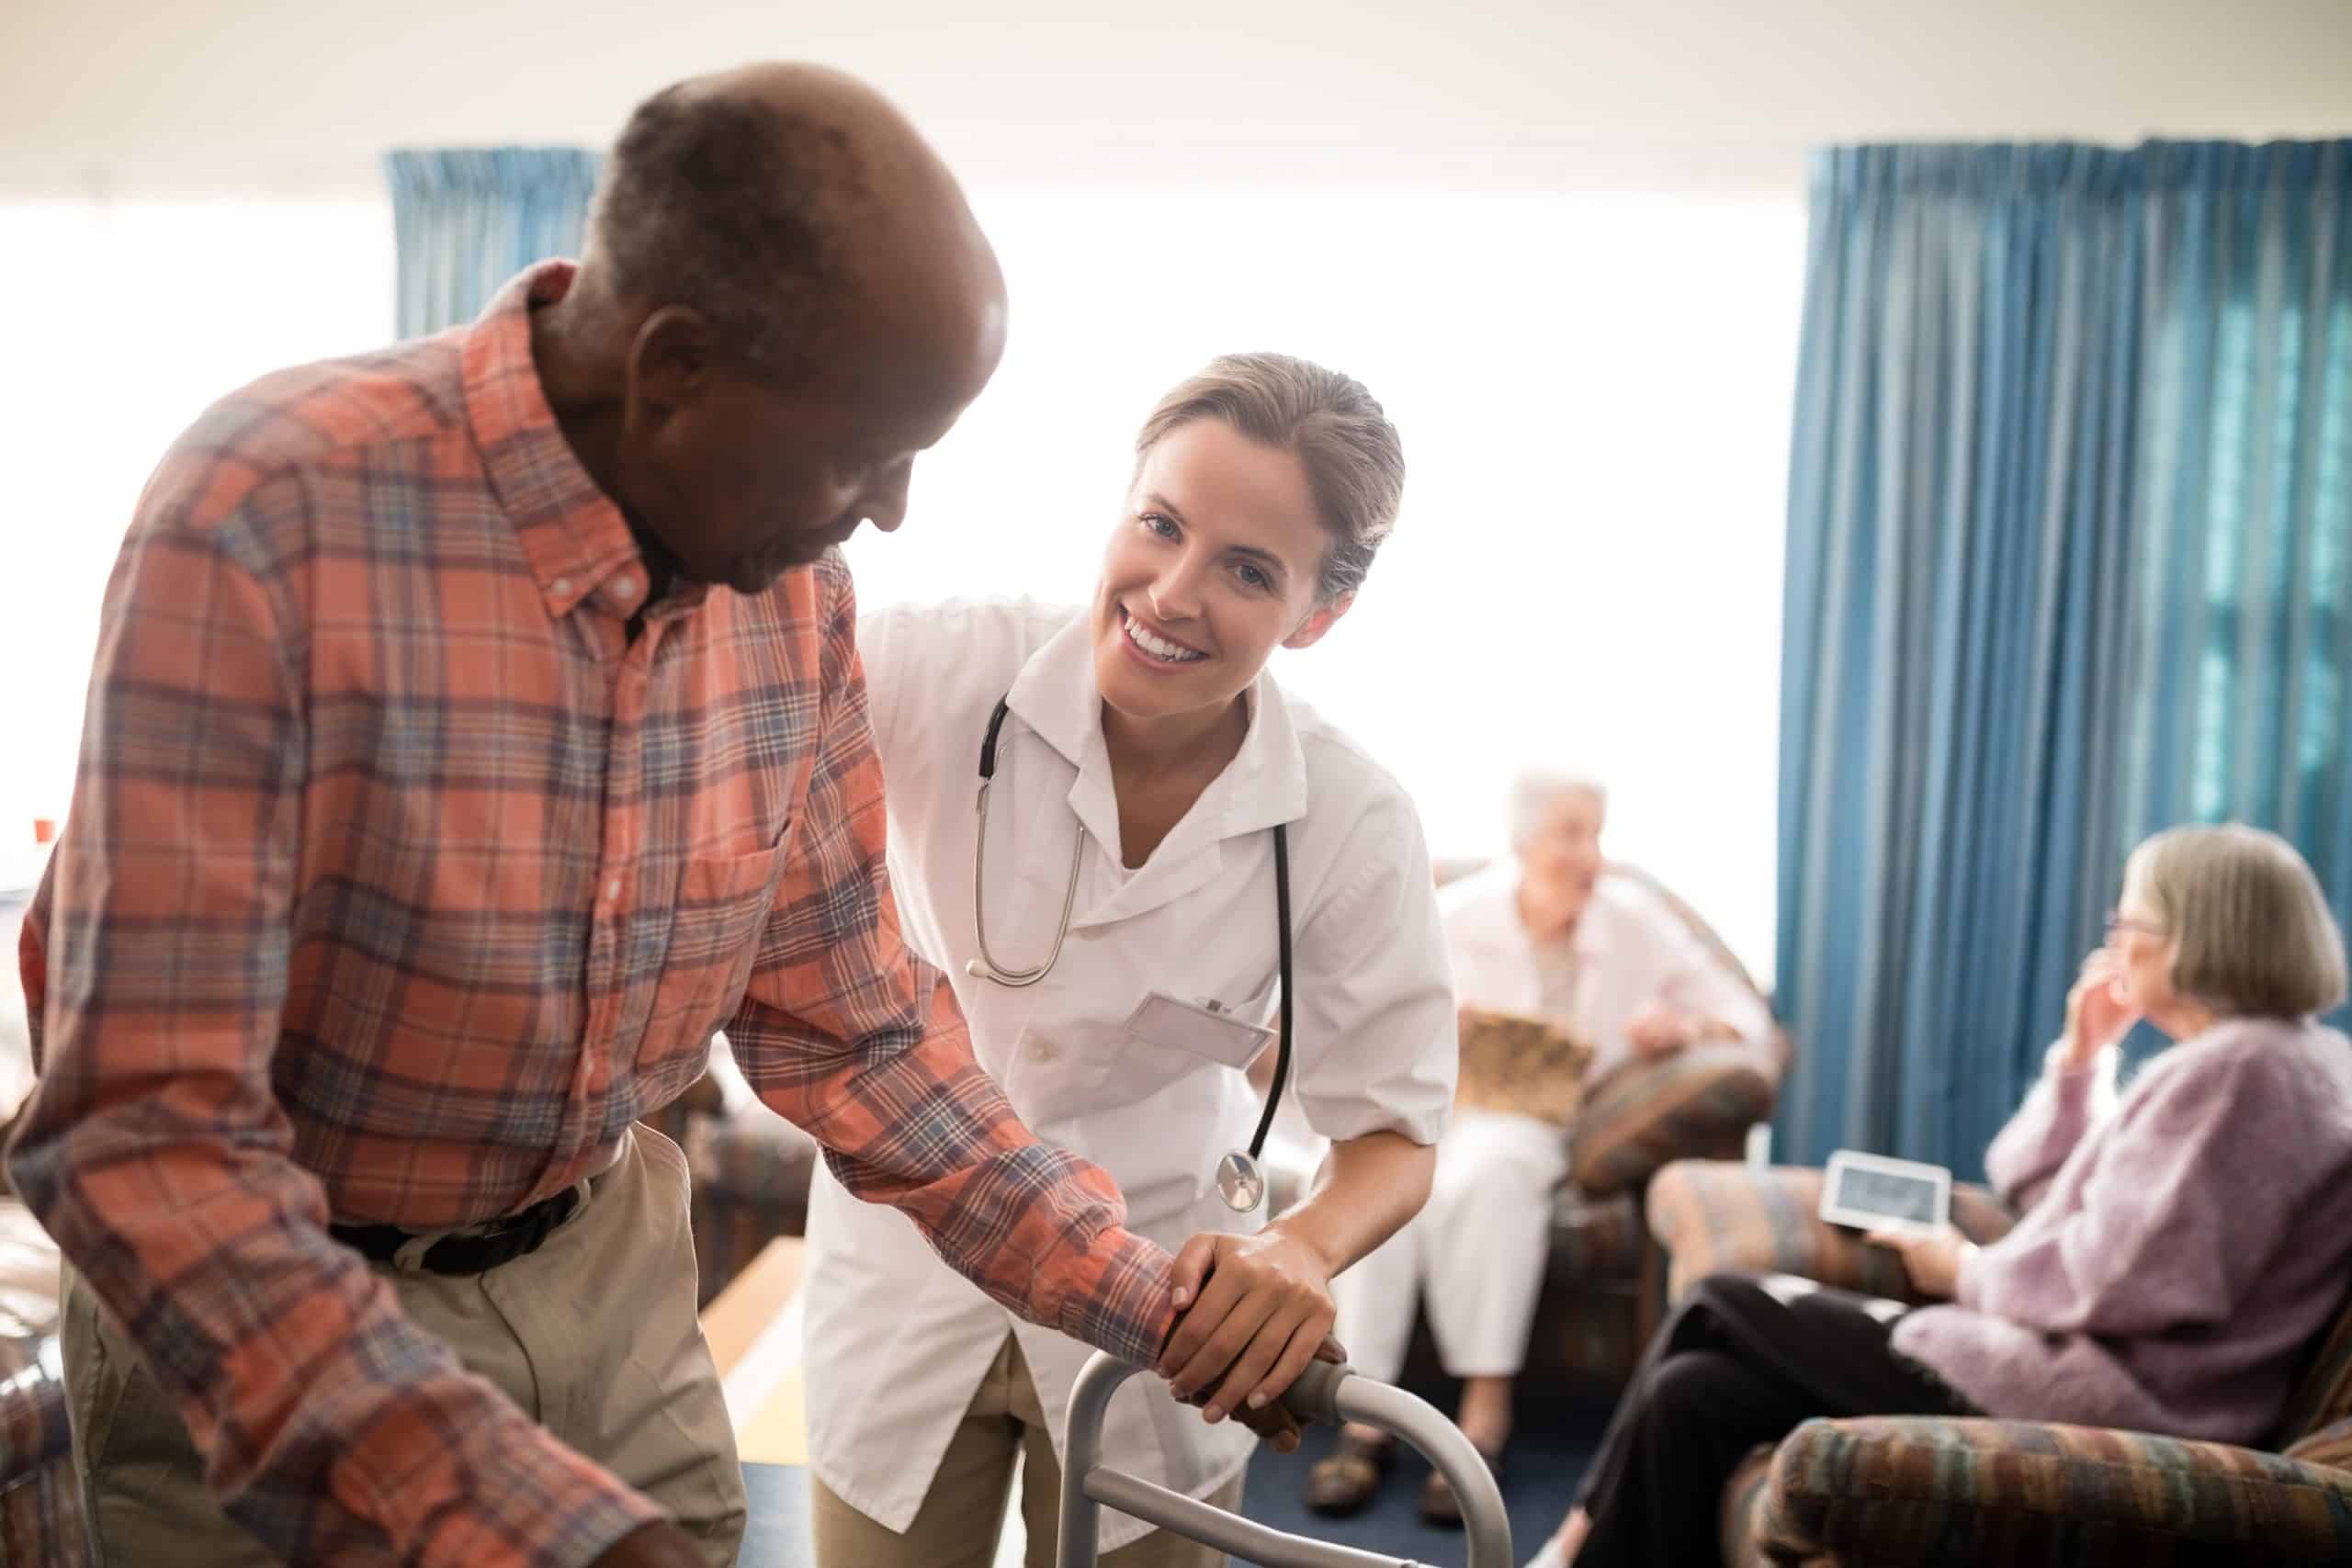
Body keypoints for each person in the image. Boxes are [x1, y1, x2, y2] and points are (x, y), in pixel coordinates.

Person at [5, 64, 1283, 1568]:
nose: (891, 510)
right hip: (276, 1322)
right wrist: (550, 1533)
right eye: (867, 449)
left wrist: (1151, 1299)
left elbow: (858, 1034)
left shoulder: (788, 589)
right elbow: (147, 1143)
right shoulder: (269, 518)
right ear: (671, 370)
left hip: (610, 1278)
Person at [805, 353, 1458, 1568]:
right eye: (1160, 524)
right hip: (902, 1279)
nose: (1171, 590)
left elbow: (1396, 1133)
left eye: (1249, 569)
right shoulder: (930, 668)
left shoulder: (1352, 818)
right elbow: (730, 700)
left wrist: (1299, 1247)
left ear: (1318, 614)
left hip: (1152, 1304)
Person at [1525, 822, 2352, 1568]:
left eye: (2131, 923)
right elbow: (2035, 1185)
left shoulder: (2239, 1077)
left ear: (2195, 939)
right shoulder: (2277, 1064)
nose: (2118, 945)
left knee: (1719, 1299)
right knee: (1691, 1394)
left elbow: (2117, 1278)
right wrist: (2082, 1056)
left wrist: (1962, 1268)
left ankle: (1565, 1545)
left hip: (2111, 1395)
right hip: (2088, 1369)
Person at [1312, 769, 1773, 1520]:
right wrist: (1434, 1021)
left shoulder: (1633, 920)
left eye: (1595, 831)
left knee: (1490, 1178)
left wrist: (1681, 1028)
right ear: (1524, 839)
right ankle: (1364, 1422)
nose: (1588, 852)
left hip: (1536, 1120)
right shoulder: (1456, 913)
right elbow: (1357, 1009)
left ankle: (1484, 1417)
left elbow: (1746, 1019)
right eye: (1569, 831)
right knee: (1385, 1189)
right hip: (1440, 1103)